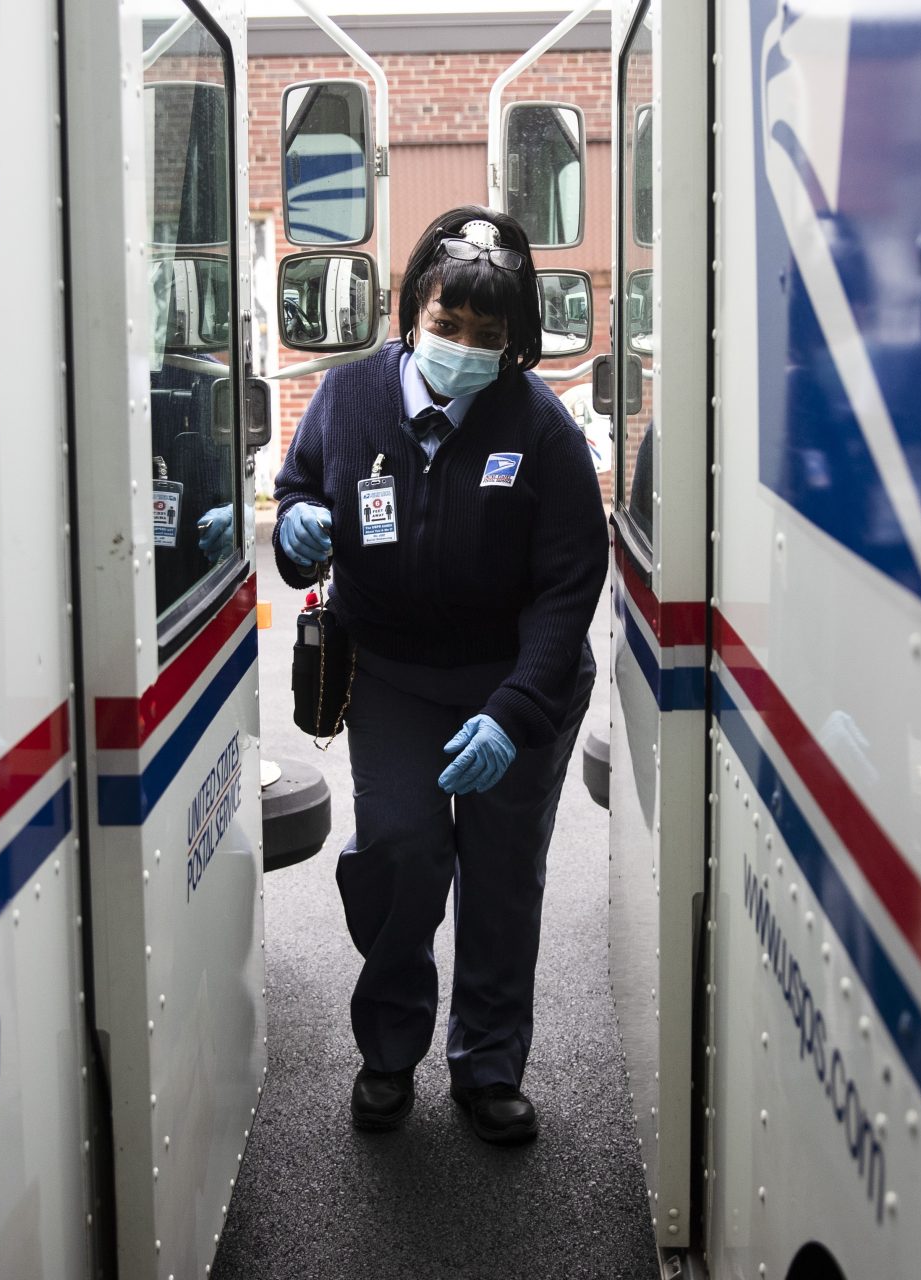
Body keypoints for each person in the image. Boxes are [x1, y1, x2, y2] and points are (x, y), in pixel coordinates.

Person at [272, 206, 609, 1144]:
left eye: (487, 335)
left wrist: (515, 710)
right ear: (413, 312)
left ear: (514, 341)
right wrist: (296, 529)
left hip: (515, 685)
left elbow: (571, 580)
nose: (462, 347)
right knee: (403, 852)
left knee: (501, 876)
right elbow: (303, 490)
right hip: (392, 676)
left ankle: (489, 1065)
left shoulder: (539, 429)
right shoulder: (348, 398)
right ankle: (388, 1052)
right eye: (446, 325)